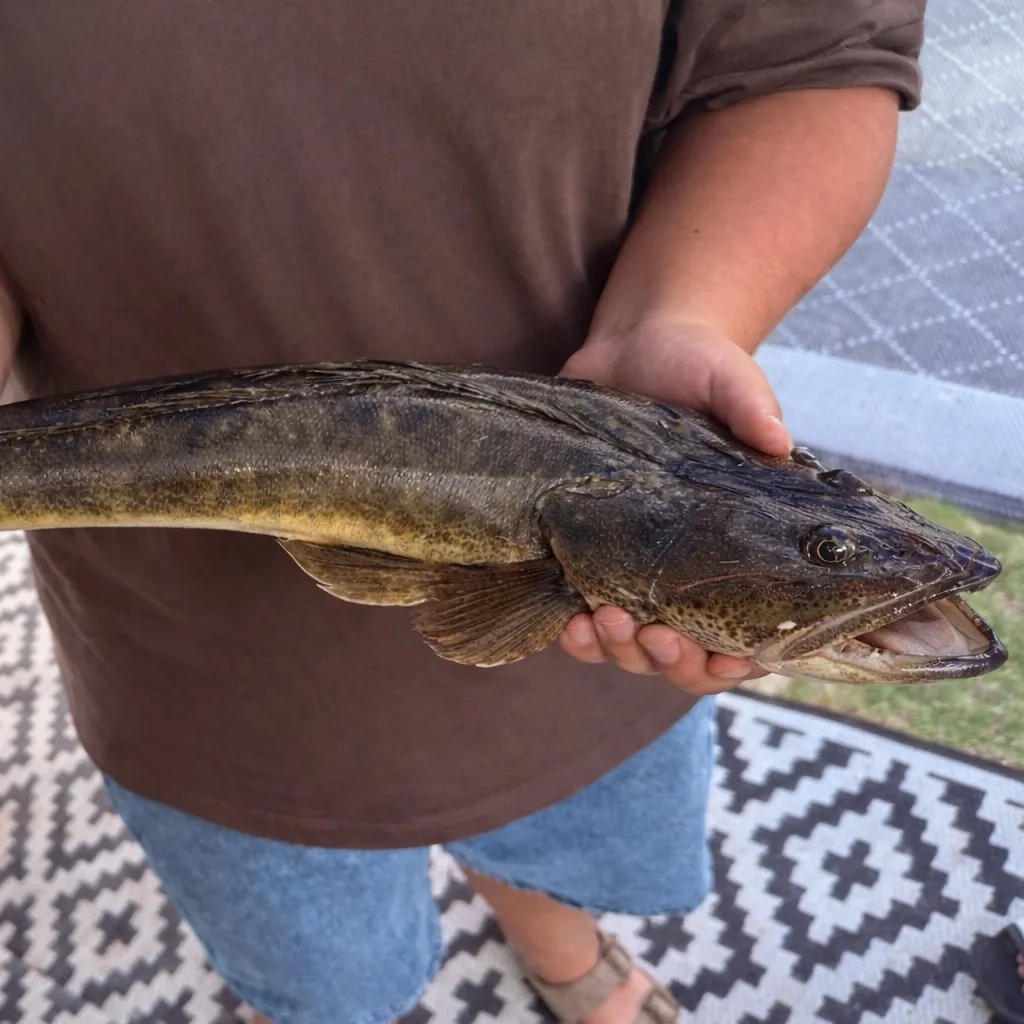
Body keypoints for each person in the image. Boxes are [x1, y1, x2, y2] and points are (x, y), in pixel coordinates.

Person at [0, 3, 925, 1022]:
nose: (841, 561)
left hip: (585, 674)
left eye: (822, 538)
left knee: (569, 825)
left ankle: (559, 943)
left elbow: (811, 53)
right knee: (318, 959)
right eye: (823, 548)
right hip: (204, 672)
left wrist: (682, 312)